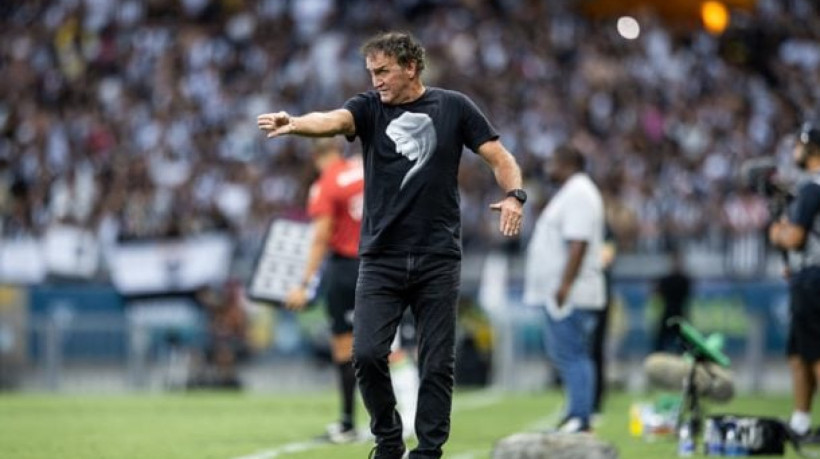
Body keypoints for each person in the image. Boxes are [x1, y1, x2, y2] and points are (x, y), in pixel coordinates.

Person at [258, 32, 524, 459]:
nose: (376, 80)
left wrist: (514, 196)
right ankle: (388, 440)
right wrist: (297, 124)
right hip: (381, 257)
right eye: (371, 73)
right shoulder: (369, 108)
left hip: (437, 256)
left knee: (437, 361)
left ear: (411, 67)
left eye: (383, 71)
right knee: (365, 354)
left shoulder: (453, 106)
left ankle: (429, 451)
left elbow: (500, 157)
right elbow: (334, 119)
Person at [284, 138, 364, 443]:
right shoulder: (363, 168)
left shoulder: (325, 185)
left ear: (313, 154)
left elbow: (320, 237)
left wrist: (304, 284)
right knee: (388, 344)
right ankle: (401, 419)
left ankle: (348, 423)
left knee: (345, 347)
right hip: (383, 262)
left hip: (347, 266)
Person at [524, 145, 605, 433]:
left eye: (552, 163)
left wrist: (565, 285)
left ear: (567, 163)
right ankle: (576, 413)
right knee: (570, 355)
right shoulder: (573, 192)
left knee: (572, 355)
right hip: (567, 291)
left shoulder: (579, 193)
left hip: (571, 293)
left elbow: (578, 242)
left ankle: (580, 417)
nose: (548, 168)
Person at [768, 122, 820, 442]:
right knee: (799, 353)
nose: (795, 152)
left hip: (814, 278)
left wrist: (777, 233)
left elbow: (795, 237)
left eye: (799, 146)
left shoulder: (813, 187)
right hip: (808, 273)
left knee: (815, 354)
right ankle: (800, 422)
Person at [653, 248, 692, 353]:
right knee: (660, 342)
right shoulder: (667, 279)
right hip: (668, 313)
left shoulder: (684, 280)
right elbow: (658, 294)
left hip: (680, 314)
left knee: (685, 343)